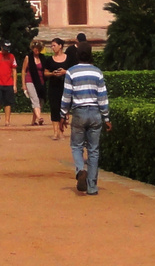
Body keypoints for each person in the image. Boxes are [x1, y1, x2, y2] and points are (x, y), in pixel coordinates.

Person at [60, 43, 111, 195]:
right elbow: (103, 97)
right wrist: (106, 117)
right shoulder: (97, 72)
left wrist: (63, 115)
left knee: (76, 146)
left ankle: (80, 170)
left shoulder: (71, 72)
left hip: (79, 113)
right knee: (93, 150)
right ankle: (92, 187)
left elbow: (67, 96)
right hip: (95, 113)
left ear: (77, 55)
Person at [43, 38, 69, 141]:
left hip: (66, 87)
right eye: (51, 46)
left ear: (60, 46)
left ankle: (62, 131)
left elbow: (73, 71)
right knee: (54, 109)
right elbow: (45, 72)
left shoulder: (69, 58)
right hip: (53, 87)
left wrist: (64, 72)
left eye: (54, 45)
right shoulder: (49, 60)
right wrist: (52, 73)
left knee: (64, 110)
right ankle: (55, 132)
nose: (52, 48)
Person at [23, 39, 47, 126]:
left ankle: (35, 120)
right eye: (34, 48)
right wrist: (23, 85)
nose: (36, 50)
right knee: (35, 99)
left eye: (38, 48)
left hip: (40, 81)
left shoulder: (43, 58)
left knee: (40, 100)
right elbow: (23, 71)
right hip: (30, 80)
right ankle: (39, 117)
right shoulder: (28, 57)